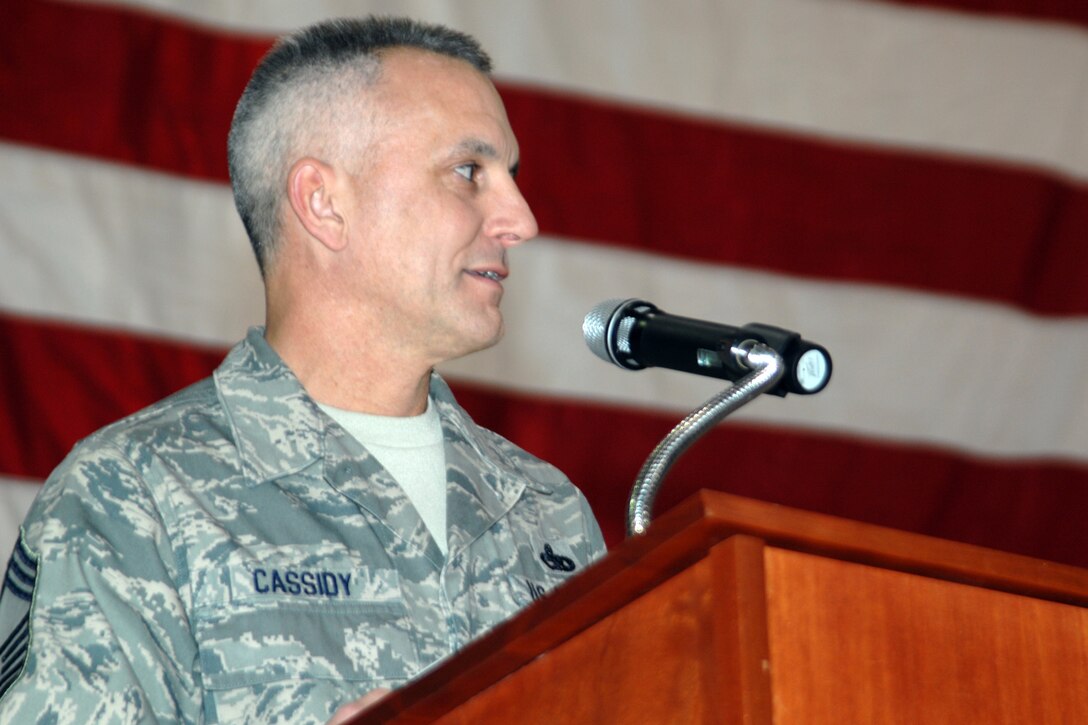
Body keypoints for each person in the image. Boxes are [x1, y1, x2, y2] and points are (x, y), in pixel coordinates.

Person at [0, 16, 605, 724]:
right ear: (323, 203)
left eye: (512, 176)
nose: (521, 219)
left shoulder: (548, 513)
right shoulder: (133, 495)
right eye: (469, 172)